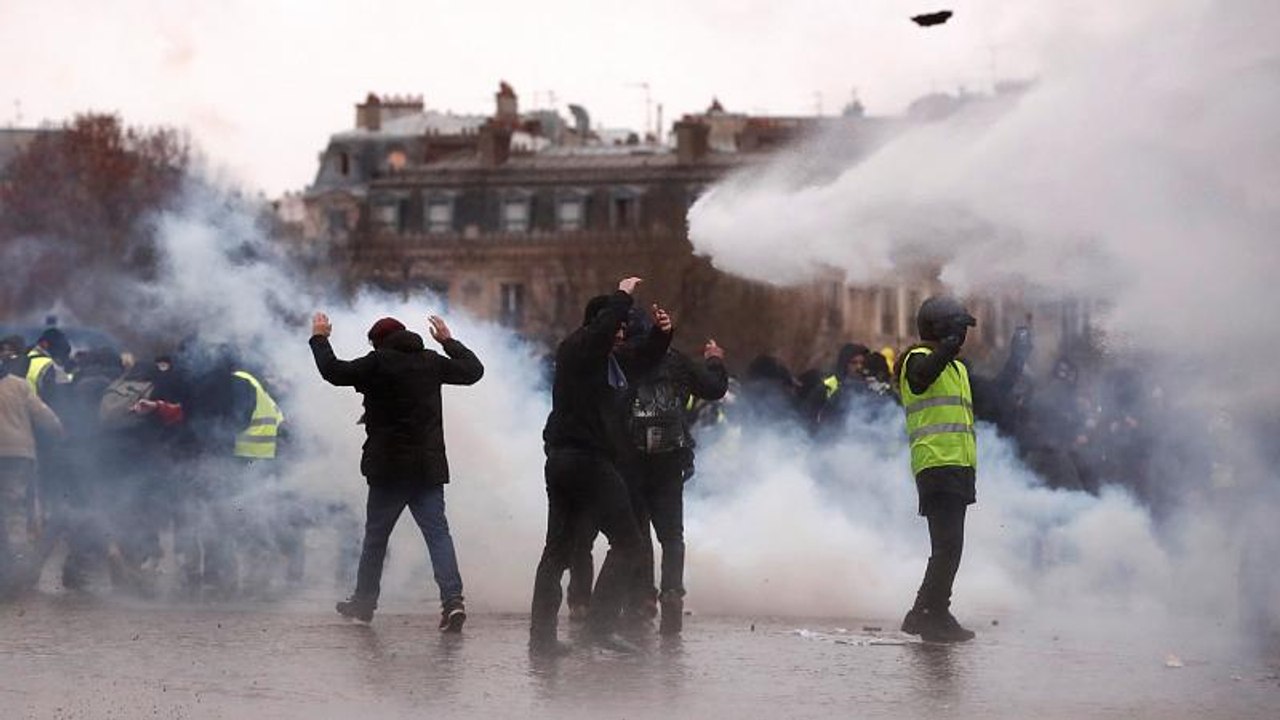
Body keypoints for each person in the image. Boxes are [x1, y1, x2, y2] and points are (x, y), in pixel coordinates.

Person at [310, 312, 483, 632]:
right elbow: (474, 371)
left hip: (389, 469)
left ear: (378, 342)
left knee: (376, 538)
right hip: (428, 468)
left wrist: (320, 338)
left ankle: (364, 603)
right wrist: (447, 341)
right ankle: (453, 600)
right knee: (438, 535)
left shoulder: (378, 363)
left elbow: (334, 372)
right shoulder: (431, 361)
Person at [530, 276, 671, 653]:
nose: (622, 335)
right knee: (628, 542)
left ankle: (541, 640)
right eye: (617, 328)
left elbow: (642, 358)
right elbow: (605, 330)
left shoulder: (603, 359)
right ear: (598, 324)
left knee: (557, 551)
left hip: (568, 459)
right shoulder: (579, 349)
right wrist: (623, 295)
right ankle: (599, 628)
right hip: (584, 459)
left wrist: (661, 334)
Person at [895, 296, 1030, 643]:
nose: (963, 336)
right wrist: (949, 346)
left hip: (958, 466)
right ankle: (925, 613)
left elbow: (996, 394)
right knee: (947, 546)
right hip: (936, 462)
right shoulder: (917, 358)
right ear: (941, 329)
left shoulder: (956, 369)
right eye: (958, 328)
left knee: (950, 547)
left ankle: (933, 611)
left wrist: (1018, 357)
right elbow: (922, 378)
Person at [618, 316, 727, 635]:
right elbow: (715, 389)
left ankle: (642, 598)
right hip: (670, 460)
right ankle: (672, 595)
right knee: (672, 535)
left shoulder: (623, 361)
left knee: (638, 533)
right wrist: (715, 359)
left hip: (631, 459)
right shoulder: (677, 362)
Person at [0, 346, 62, 598]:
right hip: (19, 456)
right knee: (15, 513)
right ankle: (16, 576)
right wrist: (59, 433)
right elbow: (45, 416)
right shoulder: (19, 385)